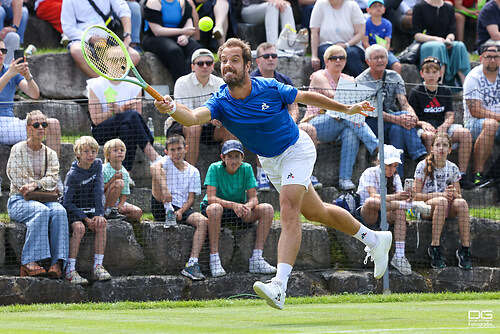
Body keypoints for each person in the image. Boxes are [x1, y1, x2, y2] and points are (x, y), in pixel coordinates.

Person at [154, 38, 392, 310]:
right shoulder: (220, 101)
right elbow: (193, 117)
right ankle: (374, 239)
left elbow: (304, 96)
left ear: (247, 65)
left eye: (234, 60)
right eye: (224, 61)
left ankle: (279, 286)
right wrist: (172, 108)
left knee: (289, 208)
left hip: (296, 149)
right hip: (271, 162)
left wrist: (346, 109)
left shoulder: (269, 86)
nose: (227, 66)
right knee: (316, 213)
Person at [301, 44, 379, 190]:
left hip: (341, 122)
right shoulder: (319, 76)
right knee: (348, 114)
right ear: (326, 61)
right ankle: (376, 146)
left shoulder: (348, 79)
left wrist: (352, 102)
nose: (338, 60)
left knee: (350, 132)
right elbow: (333, 96)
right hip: (316, 122)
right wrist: (352, 101)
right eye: (333, 58)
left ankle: (345, 179)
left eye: (341, 57)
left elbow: (358, 99)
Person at [251, 42, 322, 191]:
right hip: (260, 125)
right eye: (266, 56)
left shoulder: (284, 79)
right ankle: (262, 174)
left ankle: (307, 173)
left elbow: (293, 106)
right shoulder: (251, 81)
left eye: (274, 56)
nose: (271, 59)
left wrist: (291, 121)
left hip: (286, 124)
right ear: (257, 60)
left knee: (309, 129)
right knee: (263, 130)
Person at [6, 110, 68, 278]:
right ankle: (28, 262)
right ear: (28, 128)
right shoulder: (17, 150)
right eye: (36, 125)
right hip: (18, 201)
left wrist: (35, 184)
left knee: (59, 211)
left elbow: (53, 179)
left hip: (43, 198)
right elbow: (19, 181)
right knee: (41, 211)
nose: (41, 128)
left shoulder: (51, 154)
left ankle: (57, 263)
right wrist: (42, 184)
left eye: (44, 124)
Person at [200, 140, 276, 277]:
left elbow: (254, 198)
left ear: (242, 157)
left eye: (237, 156)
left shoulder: (246, 168)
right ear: (223, 157)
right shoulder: (214, 168)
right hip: (217, 210)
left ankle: (257, 258)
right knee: (215, 208)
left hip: (239, 210)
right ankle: (214, 259)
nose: (233, 161)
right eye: (230, 157)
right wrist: (233, 205)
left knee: (268, 209)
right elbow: (210, 197)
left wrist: (248, 206)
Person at [356, 144, 431, 276]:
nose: (392, 169)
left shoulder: (395, 177)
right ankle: (412, 207)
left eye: (395, 166)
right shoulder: (368, 173)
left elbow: (399, 198)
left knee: (400, 211)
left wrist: (408, 197)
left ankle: (400, 256)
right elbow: (374, 196)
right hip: (368, 215)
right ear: (379, 162)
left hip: (387, 214)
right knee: (371, 201)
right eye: (389, 165)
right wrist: (396, 197)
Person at [356, 44, 427, 178]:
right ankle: (421, 156)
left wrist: (412, 115)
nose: (380, 60)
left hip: (393, 120)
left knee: (397, 129)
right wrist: (400, 118)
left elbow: (403, 102)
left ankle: (396, 178)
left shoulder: (394, 77)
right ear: (368, 62)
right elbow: (373, 112)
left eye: (382, 57)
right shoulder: (361, 81)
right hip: (371, 123)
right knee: (401, 120)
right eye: (376, 58)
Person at [87, 46, 160, 171]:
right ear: (105, 62)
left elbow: (137, 119)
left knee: (128, 129)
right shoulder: (95, 85)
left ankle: (125, 174)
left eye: (122, 59)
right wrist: (114, 112)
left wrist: (120, 111)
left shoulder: (134, 84)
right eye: (114, 60)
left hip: (126, 129)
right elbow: (96, 120)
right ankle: (154, 156)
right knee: (130, 115)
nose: (119, 63)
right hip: (102, 131)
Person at [409, 56, 475, 189]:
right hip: (424, 127)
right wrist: (423, 123)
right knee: (428, 136)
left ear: (440, 74)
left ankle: (461, 175)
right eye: (428, 72)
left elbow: (450, 115)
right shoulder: (416, 92)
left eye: (434, 72)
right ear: (422, 74)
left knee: (465, 133)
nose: (431, 75)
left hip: (442, 126)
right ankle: (430, 172)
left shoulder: (445, 90)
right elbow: (412, 118)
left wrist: (444, 126)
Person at [150, 134, 208, 280]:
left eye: (179, 149)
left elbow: (191, 199)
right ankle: (168, 210)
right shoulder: (166, 162)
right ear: (166, 152)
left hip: (182, 207)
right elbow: (153, 167)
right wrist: (165, 190)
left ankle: (192, 264)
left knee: (203, 221)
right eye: (173, 150)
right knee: (157, 171)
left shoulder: (193, 171)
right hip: (161, 203)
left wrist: (181, 211)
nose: (176, 153)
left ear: (186, 149)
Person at [165, 48, 235, 166]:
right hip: (182, 124)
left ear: (213, 66)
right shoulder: (182, 82)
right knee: (194, 127)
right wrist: (211, 116)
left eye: (208, 63)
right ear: (193, 66)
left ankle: (229, 171)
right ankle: (190, 174)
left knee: (231, 127)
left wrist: (219, 118)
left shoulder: (220, 83)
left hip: (210, 126)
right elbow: (187, 116)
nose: (204, 66)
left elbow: (226, 109)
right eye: (200, 63)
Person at [412, 132, 472, 270]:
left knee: (462, 204)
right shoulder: (422, 166)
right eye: (438, 145)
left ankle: (465, 250)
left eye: (445, 145)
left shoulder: (452, 168)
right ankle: (435, 247)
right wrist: (439, 195)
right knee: (441, 201)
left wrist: (454, 193)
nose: (441, 148)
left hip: (444, 206)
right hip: (426, 208)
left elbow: (459, 196)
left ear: (449, 150)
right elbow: (415, 196)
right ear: (432, 148)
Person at [0, 38, 62, 158]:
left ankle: (53, 172)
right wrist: (9, 74)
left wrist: (28, 76)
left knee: (53, 124)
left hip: (10, 124)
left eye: (3, 50)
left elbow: (34, 94)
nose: (0, 53)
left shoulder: (11, 70)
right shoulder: (10, 72)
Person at [63, 136, 111, 285]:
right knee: (79, 228)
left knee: (102, 224)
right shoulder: (72, 175)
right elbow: (67, 203)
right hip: (74, 211)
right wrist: (85, 218)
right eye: (86, 151)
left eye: (93, 151)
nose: (90, 155)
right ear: (78, 155)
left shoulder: (97, 165)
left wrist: (98, 214)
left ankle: (98, 266)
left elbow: (98, 191)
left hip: (91, 210)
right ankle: (70, 270)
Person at [61, 0, 140, 78]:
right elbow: (68, 27)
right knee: (77, 50)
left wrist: (127, 36)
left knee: (134, 56)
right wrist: (90, 38)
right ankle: (101, 82)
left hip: (105, 38)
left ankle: (111, 81)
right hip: (81, 38)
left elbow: (122, 8)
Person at [463, 42, 500, 188]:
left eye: (496, 57)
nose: (492, 60)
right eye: (488, 56)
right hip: (474, 123)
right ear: (481, 58)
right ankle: (478, 175)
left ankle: (495, 175)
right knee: (491, 125)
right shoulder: (473, 77)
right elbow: (475, 111)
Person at [412, 0, 471, 86]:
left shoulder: (449, 7)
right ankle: (439, 85)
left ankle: (466, 86)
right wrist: (435, 39)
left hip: (444, 41)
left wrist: (449, 39)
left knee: (460, 46)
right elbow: (416, 34)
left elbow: (452, 31)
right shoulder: (419, 7)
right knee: (439, 47)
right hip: (427, 41)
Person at [142, 0, 201, 81]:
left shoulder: (183, 3)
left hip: (178, 36)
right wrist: (182, 31)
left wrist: (185, 36)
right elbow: (157, 31)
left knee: (195, 47)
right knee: (175, 51)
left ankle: (193, 80)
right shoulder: (154, 2)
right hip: (154, 37)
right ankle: (181, 84)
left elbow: (188, 25)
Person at [310, 0, 366, 76]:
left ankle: (359, 84)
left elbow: (360, 33)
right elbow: (314, 32)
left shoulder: (352, 5)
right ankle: (326, 84)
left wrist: (346, 45)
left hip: (351, 45)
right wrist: (314, 56)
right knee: (330, 54)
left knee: (351, 53)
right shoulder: (320, 4)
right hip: (327, 44)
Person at [103, 138, 143, 221]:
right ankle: (108, 212)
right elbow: (101, 190)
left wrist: (120, 205)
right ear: (108, 155)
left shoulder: (124, 172)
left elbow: (124, 194)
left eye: (122, 150)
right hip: (103, 200)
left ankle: (115, 213)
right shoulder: (103, 169)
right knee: (119, 183)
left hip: (116, 203)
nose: (120, 152)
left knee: (138, 212)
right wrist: (113, 179)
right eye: (115, 150)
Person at [362, 0, 401, 74]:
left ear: (384, 9)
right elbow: (365, 43)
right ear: (368, 10)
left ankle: (395, 84)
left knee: (397, 65)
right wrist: (374, 53)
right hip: (369, 51)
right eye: (375, 6)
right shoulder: (366, 23)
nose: (378, 8)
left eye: (380, 6)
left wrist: (383, 54)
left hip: (384, 51)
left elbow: (387, 43)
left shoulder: (387, 24)